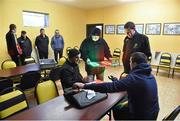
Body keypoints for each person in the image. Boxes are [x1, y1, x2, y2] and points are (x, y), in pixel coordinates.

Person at [73, 52, 159, 120]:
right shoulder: (150, 75)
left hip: (141, 117)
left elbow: (110, 87)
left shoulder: (134, 78)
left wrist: (84, 86)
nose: (129, 64)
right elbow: (130, 85)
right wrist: (117, 81)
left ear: (134, 63)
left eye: (130, 61)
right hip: (153, 113)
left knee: (117, 108)